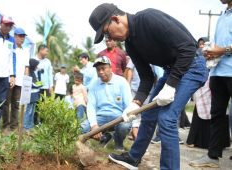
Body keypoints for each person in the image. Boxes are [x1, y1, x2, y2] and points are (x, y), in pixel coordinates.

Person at [89, 4, 208, 170]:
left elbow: (188, 48)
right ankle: (133, 157)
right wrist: (135, 103)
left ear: (116, 19)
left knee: (167, 118)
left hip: (193, 65)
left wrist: (171, 85)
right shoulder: (130, 44)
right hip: (172, 70)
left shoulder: (149, 19)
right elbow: (146, 77)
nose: (111, 38)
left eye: (108, 33)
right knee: (149, 114)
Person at [189, 0, 232, 167]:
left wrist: (223, 50)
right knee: (217, 116)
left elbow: (223, 48)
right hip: (218, 71)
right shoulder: (222, 16)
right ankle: (212, 157)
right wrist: (210, 52)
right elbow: (216, 44)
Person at [80, 56, 132, 151]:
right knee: (82, 128)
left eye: (103, 68)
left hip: (119, 116)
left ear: (110, 68)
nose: (100, 72)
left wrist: (126, 118)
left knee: (125, 126)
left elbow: (129, 105)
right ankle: (104, 137)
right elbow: (91, 106)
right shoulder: (93, 85)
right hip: (101, 117)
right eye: (98, 69)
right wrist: (94, 126)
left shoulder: (121, 82)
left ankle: (118, 142)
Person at [2, 27, 29, 132]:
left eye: (23, 36)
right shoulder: (9, 46)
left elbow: (26, 67)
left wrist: (26, 81)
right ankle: (5, 126)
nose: (22, 38)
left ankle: (14, 126)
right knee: (6, 103)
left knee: (16, 105)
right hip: (9, 79)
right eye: (20, 36)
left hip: (20, 82)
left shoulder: (26, 50)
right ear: (15, 36)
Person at [34, 44, 53, 124]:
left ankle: (43, 122)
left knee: (45, 105)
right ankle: (35, 122)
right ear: (41, 50)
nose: (47, 53)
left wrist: (51, 85)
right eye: (46, 51)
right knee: (36, 105)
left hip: (46, 88)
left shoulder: (48, 61)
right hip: (36, 87)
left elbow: (50, 74)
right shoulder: (33, 59)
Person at [23, 58, 42, 131]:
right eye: (36, 66)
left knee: (33, 111)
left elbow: (38, 81)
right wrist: (38, 85)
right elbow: (32, 84)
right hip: (31, 95)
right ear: (33, 65)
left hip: (35, 94)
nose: (37, 67)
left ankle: (30, 125)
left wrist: (39, 73)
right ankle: (25, 126)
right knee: (29, 110)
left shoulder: (34, 73)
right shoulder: (29, 73)